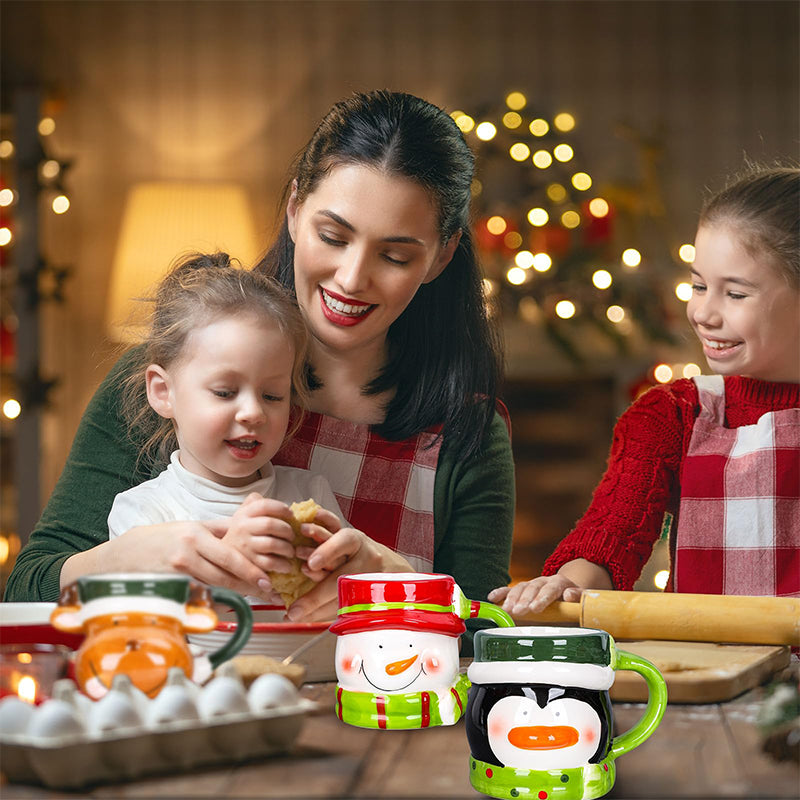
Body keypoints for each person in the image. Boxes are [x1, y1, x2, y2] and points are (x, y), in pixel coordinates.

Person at [5, 90, 514, 628]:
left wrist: (394, 580)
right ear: (295, 210)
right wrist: (123, 560)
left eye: (395, 255)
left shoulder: (468, 433)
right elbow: (26, 591)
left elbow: (483, 635)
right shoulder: (164, 384)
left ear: (440, 256)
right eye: (332, 236)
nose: (351, 278)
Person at [490, 165, 800, 616]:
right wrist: (566, 583)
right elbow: (612, 534)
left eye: (734, 294)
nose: (703, 313)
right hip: (708, 674)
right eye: (698, 285)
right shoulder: (674, 414)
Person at [106, 252, 345, 605]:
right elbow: (141, 624)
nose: (253, 412)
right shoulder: (142, 512)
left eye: (272, 395)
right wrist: (228, 563)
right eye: (225, 392)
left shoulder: (313, 493)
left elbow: (350, 603)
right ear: (162, 392)